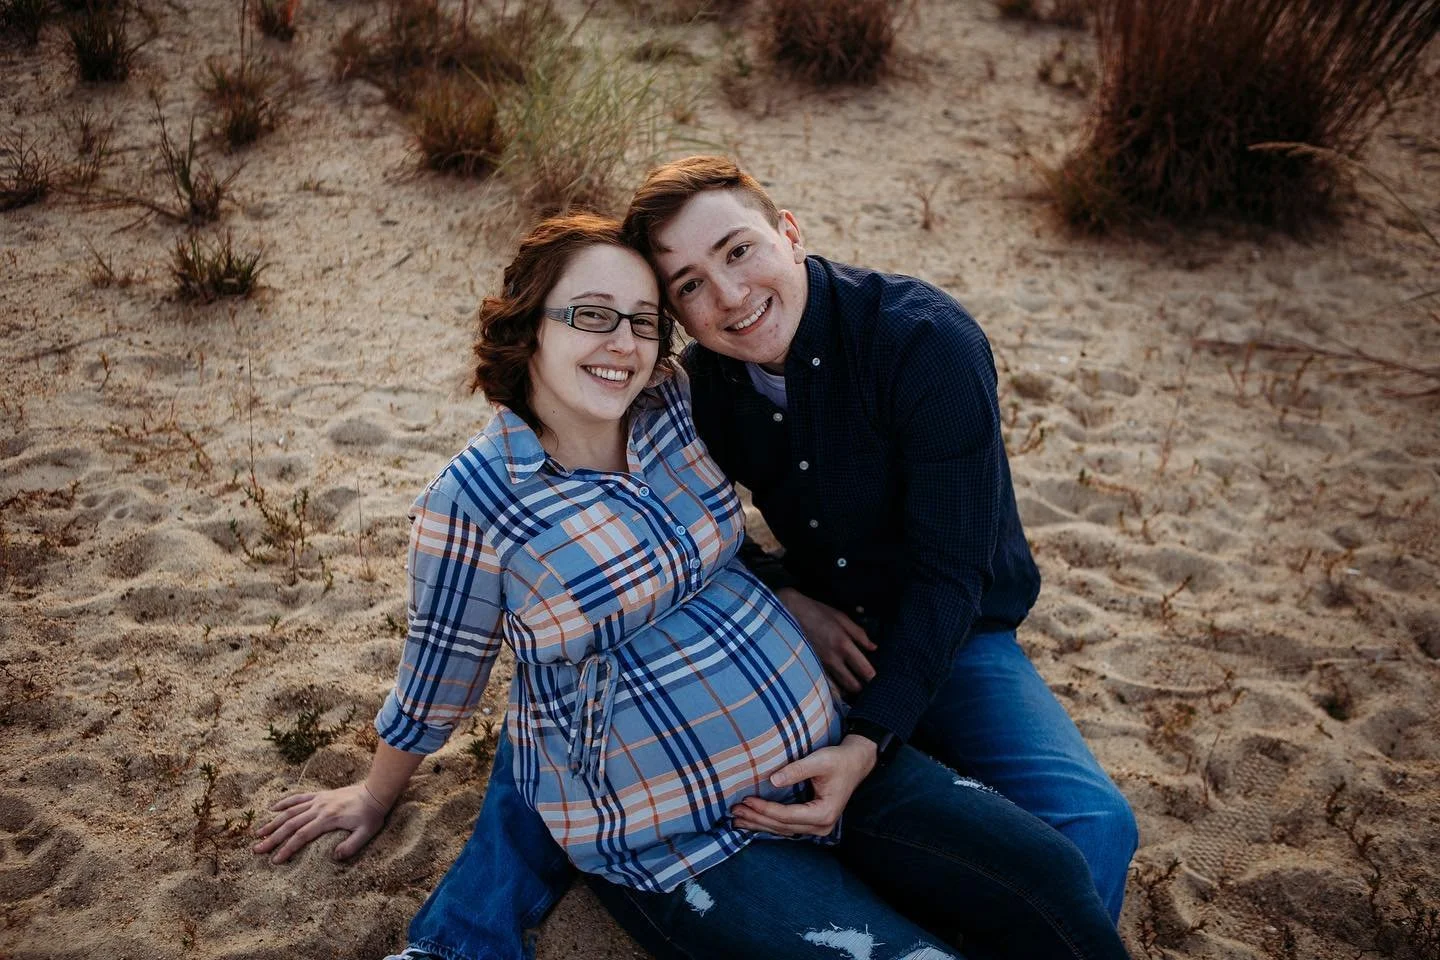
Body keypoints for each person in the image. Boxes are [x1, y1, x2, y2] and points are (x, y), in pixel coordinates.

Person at [252, 213, 1130, 960]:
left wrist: (786, 597)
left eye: (641, 320)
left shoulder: (670, 406)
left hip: (823, 747)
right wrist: (375, 792)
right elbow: (440, 680)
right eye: (591, 316)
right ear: (529, 331)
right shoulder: (475, 501)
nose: (623, 343)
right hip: (681, 834)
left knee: (1050, 875)